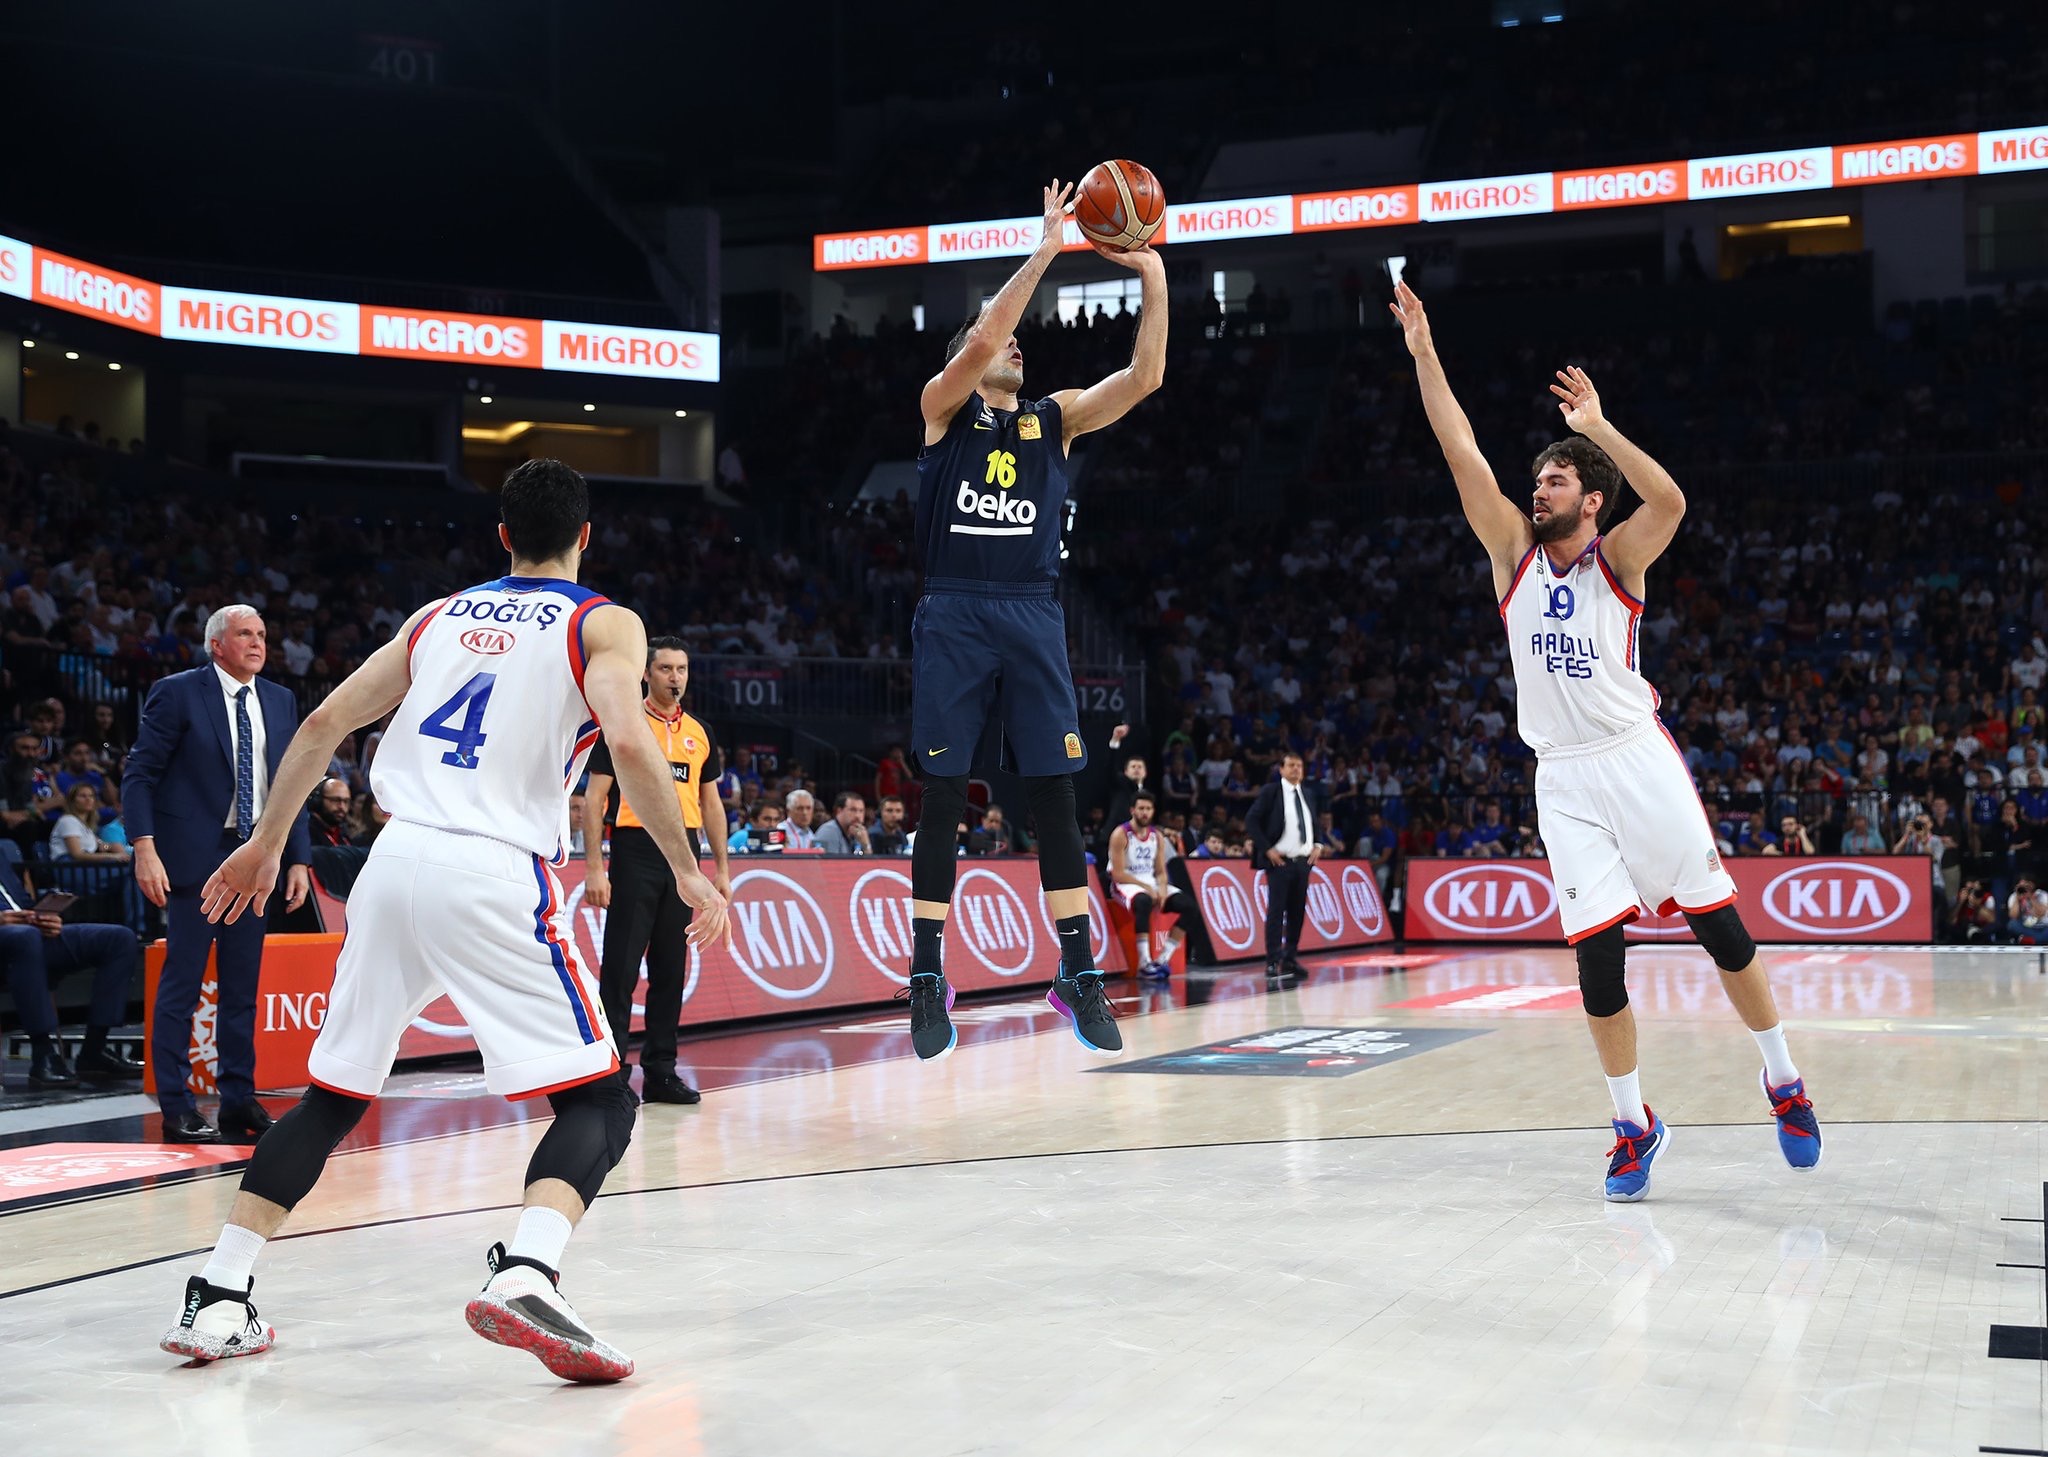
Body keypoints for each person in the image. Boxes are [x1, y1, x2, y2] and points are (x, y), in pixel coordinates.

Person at [160, 459, 731, 1382]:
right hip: (493, 866)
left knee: (333, 1094)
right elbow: (629, 741)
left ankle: (220, 1291)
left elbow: (319, 728)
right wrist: (687, 869)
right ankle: (529, 1271)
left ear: (501, 536)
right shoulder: (603, 620)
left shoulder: (438, 615)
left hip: (394, 864)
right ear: (586, 537)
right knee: (600, 1098)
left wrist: (267, 841)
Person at [1392, 280, 1821, 1201]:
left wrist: (1601, 424)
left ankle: (1782, 1077)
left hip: (1636, 757)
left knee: (1723, 931)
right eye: (1537, 478)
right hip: (1563, 778)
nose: (1534, 487)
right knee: (1597, 960)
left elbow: (1669, 499)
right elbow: (1457, 447)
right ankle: (1633, 1122)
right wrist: (1424, 349)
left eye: (1552, 479)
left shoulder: (1617, 560)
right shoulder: (1509, 550)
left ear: (1589, 500)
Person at [904, 178, 1166, 1062]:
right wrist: (1049, 248)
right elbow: (981, 335)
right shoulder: (944, 408)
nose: (1014, 344)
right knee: (943, 792)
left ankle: (1077, 970)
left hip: (1032, 612)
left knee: (1053, 791)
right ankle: (928, 973)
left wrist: (1154, 274)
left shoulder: (1053, 422)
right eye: (1001, 343)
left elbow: (1146, 377)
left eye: (1021, 342)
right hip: (954, 609)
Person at [123, 604, 313, 1144]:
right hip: (191, 858)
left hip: (253, 858)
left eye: (262, 634)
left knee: (242, 990)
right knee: (182, 985)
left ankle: (237, 1101)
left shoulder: (279, 699)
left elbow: (288, 784)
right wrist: (144, 847)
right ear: (217, 645)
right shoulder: (179, 692)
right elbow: (139, 773)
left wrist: (296, 855)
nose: (257, 643)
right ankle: (177, 1106)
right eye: (244, 634)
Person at [581, 635, 731, 1106]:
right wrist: (594, 868)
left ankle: (662, 1071)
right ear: (646, 673)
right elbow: (593, 800)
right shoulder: (624, 725)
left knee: (672, 964)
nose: (675, 677)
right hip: (635, 847)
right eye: (666, 669)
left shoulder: (700, 732)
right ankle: (610, 1073)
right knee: (621, 966)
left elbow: (712, 804)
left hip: (685, 853)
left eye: (681, 669)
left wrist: (721, 869)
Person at [0, 851, 142, 1088]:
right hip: (16, 940)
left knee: (119, 938)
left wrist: (44, 919)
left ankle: (94, 1050)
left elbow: (22, 906)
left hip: (28, 938)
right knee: (24, 936)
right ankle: (43, 1053)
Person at [1106, 791, 1202, 978]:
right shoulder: (1121, 834)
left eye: (1148, 809)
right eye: (1141, 808)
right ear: (1132, 810)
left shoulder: (1156, 836)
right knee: (1143, 901)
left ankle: (1162, 959)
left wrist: (1163, 890)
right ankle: (1144, 963)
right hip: (1125, 883)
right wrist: (1148, 888)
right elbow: (1117, 874)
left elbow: (1160, 871)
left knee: (1191, 907)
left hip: (1150, 881)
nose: (1145, 812)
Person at [1246, 751, 1320, 981]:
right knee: (1277, 912)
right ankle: (1272, 960)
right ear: (1281, 769)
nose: (1296, 769)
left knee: (1297, 913)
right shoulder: (1271, 791)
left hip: (1302, 862)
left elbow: (1314, 822)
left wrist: (1318, 843)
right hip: (1280, 862)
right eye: (1291, 765)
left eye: (1299, 765)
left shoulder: (1307, 793)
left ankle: (1290, 958)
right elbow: (1251, 820)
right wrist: (1267, 849)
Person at [813, 791, 871, 855]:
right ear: (839, 811)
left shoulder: (857, 834)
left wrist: (865, 844)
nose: (858, 815)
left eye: (861, 811)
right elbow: (827, 863)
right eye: (853, 810)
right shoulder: (828, 831)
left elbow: (868, 863)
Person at [308, 778, 354, 848]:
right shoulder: (306, 832)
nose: (341, 806)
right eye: (335, 800)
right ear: (318, 800)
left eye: (346, 801)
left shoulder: (345, 834)